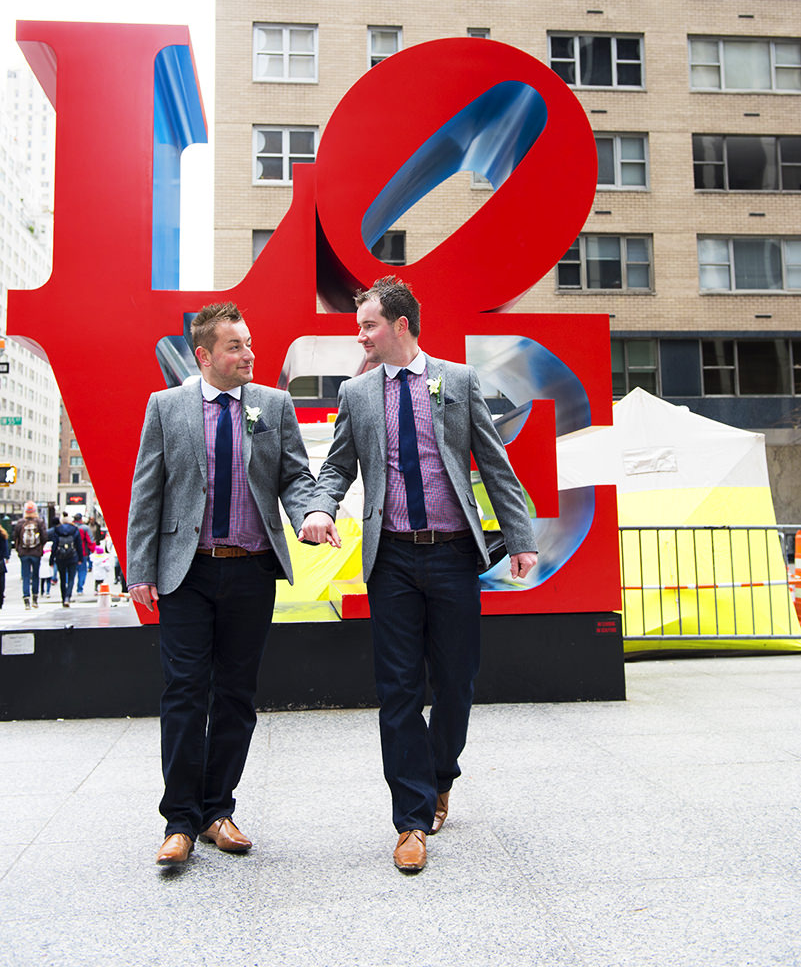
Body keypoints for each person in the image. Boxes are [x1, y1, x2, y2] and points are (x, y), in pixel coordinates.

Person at [301, 276, 538, 873]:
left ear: (400, 325)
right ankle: (409, 819)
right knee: (398, 690)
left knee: (457, 681)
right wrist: (320, 507)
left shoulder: (458, 381)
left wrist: (520, 538)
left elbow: (495, 463)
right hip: (392, 560)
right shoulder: (357, 393)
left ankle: (440, 776)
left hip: (454, 555)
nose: (361, 336)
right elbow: (337, 467)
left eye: (369, 325)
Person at [126, 300, 319, 868]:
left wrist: (310, 513)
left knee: (236, 695)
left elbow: (295, 477)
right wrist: (140, 568)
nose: (248, 354)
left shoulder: (273, 404)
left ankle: (218, 811)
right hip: (186, 572)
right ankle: (179, 821)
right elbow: (147, 490)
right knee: (185, 692)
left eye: (249, 343)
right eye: (236, 346)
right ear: (204, 355)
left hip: (252, 571)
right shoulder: (166, 407)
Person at [13, 501, 48, 609]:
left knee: (26, 576)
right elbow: (44, 537)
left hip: (24, 553)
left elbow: (15, 537)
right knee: (35, 575)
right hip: (36, 552)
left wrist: (19, 549)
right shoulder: (39, 522)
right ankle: (35, 599)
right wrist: (40, 547)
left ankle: (26, 599)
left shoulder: (20, 523)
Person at [46, 514, 83, 608]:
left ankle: (63, 598)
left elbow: (54, 546)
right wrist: (80, 558)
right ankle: (68, 597)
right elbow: (79, 544)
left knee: (62, 578)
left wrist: (51, 559)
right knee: (71, 578)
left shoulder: (57, 529)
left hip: (60, 557)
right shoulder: (75, 529)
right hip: (72, 556)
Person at [71, 513, 95, 595]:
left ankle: (69, 588)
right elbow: (90, 540)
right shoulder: (85, 528)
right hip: (83, 553)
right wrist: (93, 550)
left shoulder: (70, 527)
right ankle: (80, 589)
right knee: (82, 571)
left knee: (70, 572)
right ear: (81, 519)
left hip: (70, 553)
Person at [0, 524, 9, 608]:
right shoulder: (2, 534)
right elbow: (5, 547)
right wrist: (6, 557)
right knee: (1, 582)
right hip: (0, 562)